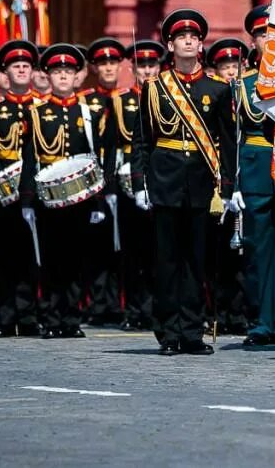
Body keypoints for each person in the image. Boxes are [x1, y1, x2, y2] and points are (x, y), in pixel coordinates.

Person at [130, 9, 236, 356]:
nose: (188, 41)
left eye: (194, 37)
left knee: (196, 261)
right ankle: (168, 333)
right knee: (167, 261)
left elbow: (227, 140)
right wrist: (140, 182)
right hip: (164, 179)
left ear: (201, 44)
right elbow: (142, 139)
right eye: (181, 37)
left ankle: (192, 332)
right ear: (171, 45)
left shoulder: (218, 88)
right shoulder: (155, 87)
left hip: (202, 182)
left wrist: (228, 186)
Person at [19, 43, 113, 339]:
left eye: (68, 72)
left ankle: (71, 317)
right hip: (48, 197)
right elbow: (29, 157)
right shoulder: (35, 112)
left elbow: (102, 153)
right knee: (49, 258)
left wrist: (99, 198)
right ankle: (49, 316)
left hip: (81, 197)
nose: (62, 77)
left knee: (76, 259)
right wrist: (27, 200)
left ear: (78, 78)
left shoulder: (90, 112)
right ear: (48, 76)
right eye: (57, 71)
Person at [225, 13, 275, 348]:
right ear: (253, 41)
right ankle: (259, 322)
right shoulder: (242, 84)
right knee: (256, 251)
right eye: (262, 35)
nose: (268, 41)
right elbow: (232, 138)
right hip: (254, 172)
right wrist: (232, 185)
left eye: (274, 34)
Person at [0, 40, 42, 337]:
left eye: (26, 66)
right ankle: (3, 317)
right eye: (15, 66)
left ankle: (27, 316)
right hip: (3, 191)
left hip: (32, 192)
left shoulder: (41, 107)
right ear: (5, 72)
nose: (21, 71)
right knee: (2, 257)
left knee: (30, 257)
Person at [204, 36, 250, 336]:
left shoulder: (250, 94)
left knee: (242, 252)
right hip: (216, 177)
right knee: (215, 251)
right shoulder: (212, 96)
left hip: (244, 175)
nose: (231, 72)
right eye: (225, 66)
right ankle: (215, 311)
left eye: (235, 65)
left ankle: (240, 312)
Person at [118, 40, 164, 331]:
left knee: (159, 251)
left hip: (160, 179)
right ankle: (135, 310)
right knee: (133, 253)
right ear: (133, 68)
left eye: (152, 65)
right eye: (141, 65)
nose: (146, 70)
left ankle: (156, 309)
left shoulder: (166, 96)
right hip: (129, 181)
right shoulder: (120, 100)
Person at [80, 37, 125, 327]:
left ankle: (119, 303)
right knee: (95, 246)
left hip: (123, 176)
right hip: (94, 177)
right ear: (95, 67)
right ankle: (98, 304)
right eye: (102, 63)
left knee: (124, 244)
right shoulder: (85, 101)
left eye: (113, 62)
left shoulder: (130, 97)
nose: (108, 68)